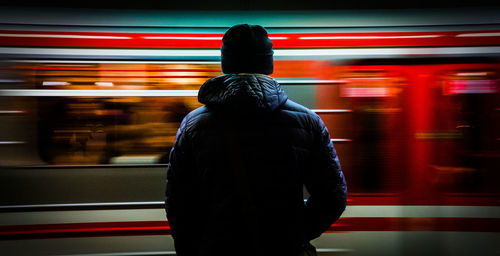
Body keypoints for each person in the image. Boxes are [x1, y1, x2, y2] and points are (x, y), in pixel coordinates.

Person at [165, 24, 347, 256]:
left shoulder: (193, 125)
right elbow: (333, 196)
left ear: (226, 63)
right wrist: (293, 233)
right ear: (267, 64)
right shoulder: (308, 122)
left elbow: (179, 202)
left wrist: (198, 245)